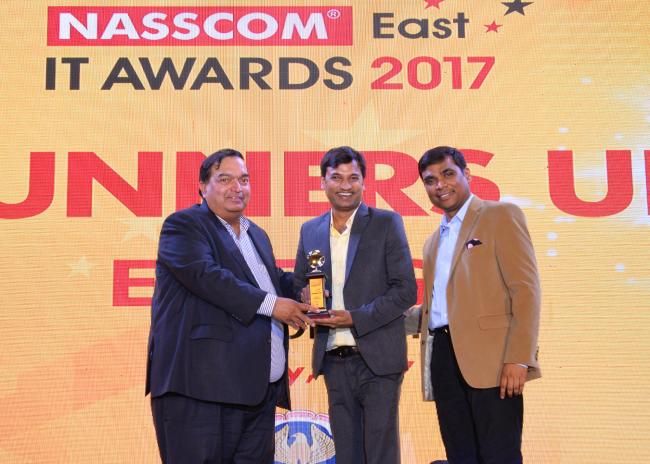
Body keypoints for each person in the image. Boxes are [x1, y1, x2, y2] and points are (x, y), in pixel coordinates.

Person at [145, 149, 314, 463]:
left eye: (244, 180)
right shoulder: (184, 225)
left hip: (256, 394)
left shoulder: (256, 235)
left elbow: (271, 279)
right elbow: (207, 276)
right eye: (225, 179)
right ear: (202, 186)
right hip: (200, 393)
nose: (238, 188)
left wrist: (304, 290)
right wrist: (274, 305)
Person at [416, 146, 541, 463]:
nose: (440, 185)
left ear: (467, 174)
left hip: (493, 359)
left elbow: (525, 290)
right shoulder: (432, 242)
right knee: (459, 455)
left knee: (500, 454)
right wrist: (362, 316)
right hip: (443, 357)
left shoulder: (500, 215)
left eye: (448, 174)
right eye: (430, 180)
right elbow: (436, 308)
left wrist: (519, 358)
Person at [293, 146, 417, 464]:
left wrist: (354, 318)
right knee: (347, 454)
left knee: (380, 454)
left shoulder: (386, 223)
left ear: (364, 181)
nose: (345, 185)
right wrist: (304, 296)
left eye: (353, 178)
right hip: (333, 358)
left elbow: (405, 291)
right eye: (336, 178)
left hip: (378, 359)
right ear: (323, 182)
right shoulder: (310, 230)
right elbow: (299, 283)